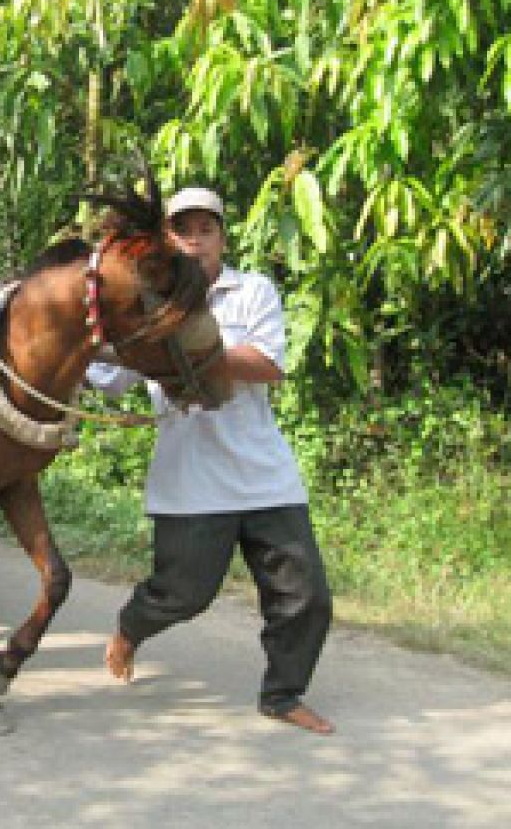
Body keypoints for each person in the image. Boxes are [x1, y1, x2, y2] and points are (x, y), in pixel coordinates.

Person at [87, 186, 334, 735]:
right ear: (165, 240)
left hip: (264, 476)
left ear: (222, 237)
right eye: (183, 230)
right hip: (190, 481)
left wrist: (187, 347)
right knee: (182, 596)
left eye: (206, 229)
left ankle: (282, 695)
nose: (195, 241)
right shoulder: (149, 303)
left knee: (307, 595)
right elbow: (109, 378)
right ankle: (131, 628)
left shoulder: (252, 292)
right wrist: (82, 345)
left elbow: (268, 363)